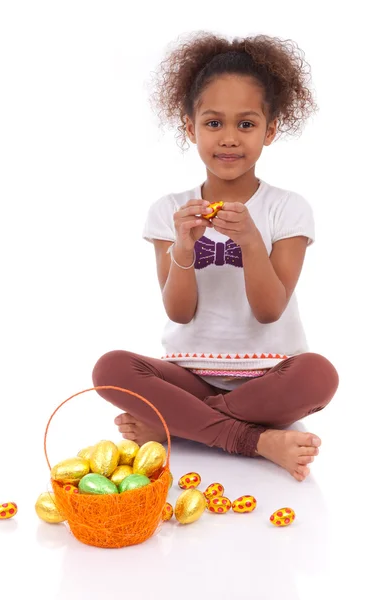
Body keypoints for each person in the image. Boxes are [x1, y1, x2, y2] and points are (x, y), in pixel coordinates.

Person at [92, 32, 339, 482]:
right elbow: (178, 312)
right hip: (191, 376)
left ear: (271, 129)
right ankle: (256, 439)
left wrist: (249, 240)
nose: (229, 139)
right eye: (213, 123)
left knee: (319, 375)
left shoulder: (289, 208)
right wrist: (183, 247)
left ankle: (177, 425)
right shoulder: (168, 210)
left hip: (269, 380)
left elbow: (269, 310)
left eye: (246, 124)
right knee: (109, 368)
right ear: (190, 127)